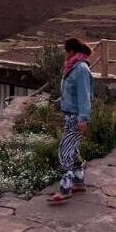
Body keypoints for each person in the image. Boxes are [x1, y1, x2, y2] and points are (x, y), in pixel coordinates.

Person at [48, 37, 93, 204]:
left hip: (75, 117)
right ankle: (79, 182)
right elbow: (69, 93)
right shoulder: (73, 67)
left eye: (66, 51)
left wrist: (83, 119)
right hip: (69, 114)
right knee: (72, 150)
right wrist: (57, 103)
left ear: (72, 51)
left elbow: (84, 95)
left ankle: (65, 188)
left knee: (64, 151)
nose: (64, 55)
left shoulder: (80, 69)